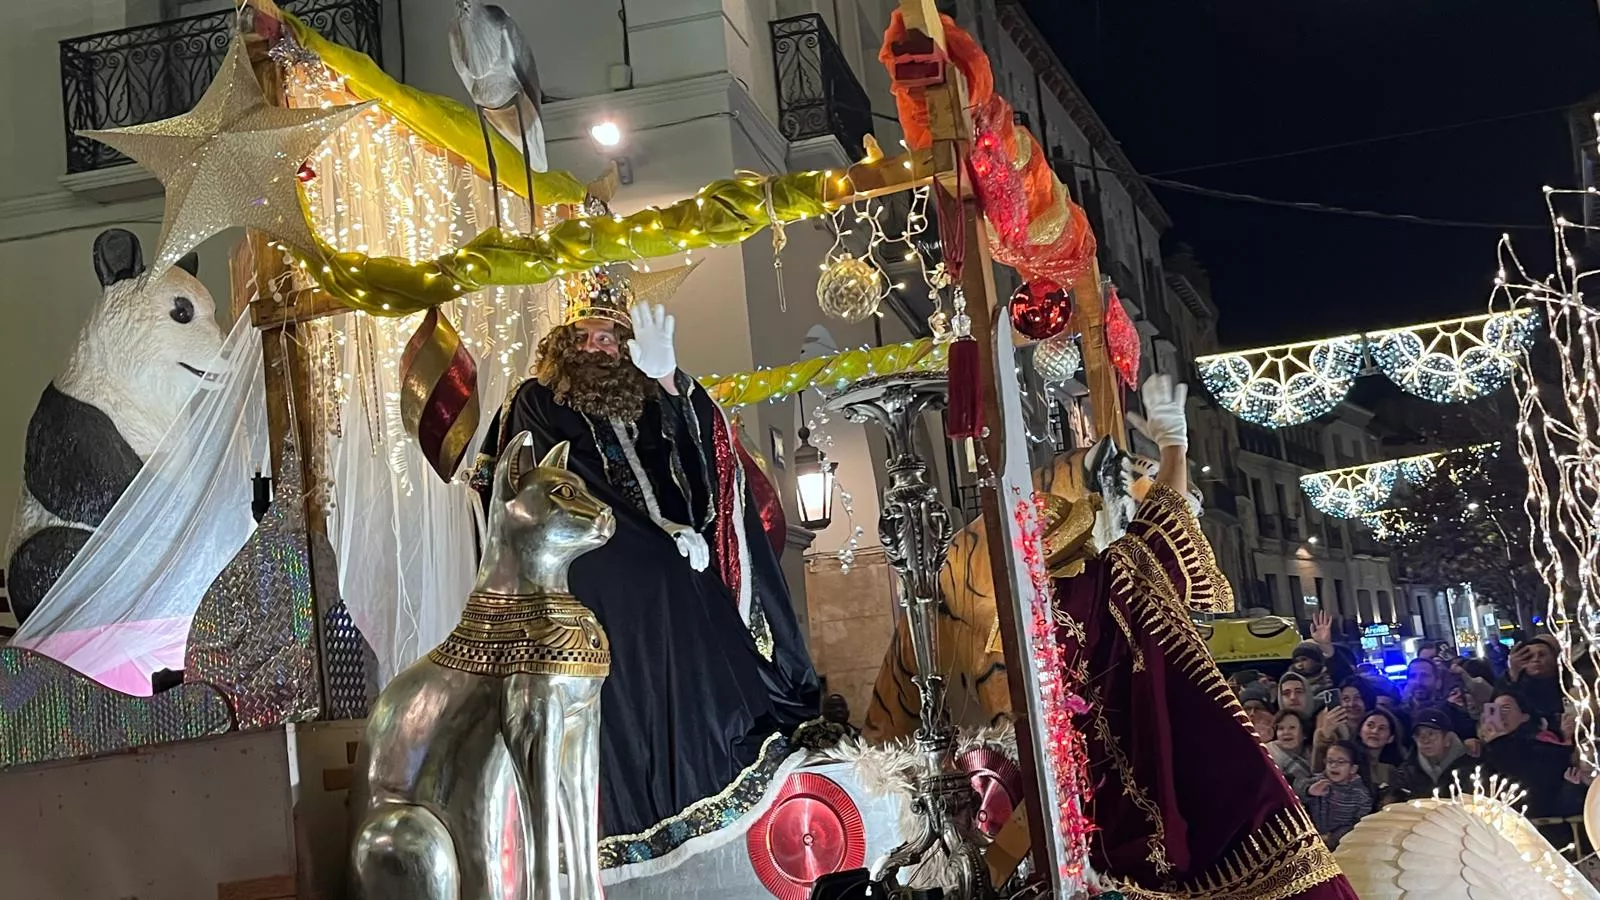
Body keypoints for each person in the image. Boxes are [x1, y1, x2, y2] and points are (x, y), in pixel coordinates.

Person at [473, 277, 820, 846]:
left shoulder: (649, 400)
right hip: (583, 563)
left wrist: (671, 380)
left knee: (695, 588)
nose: (599, 347)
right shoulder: (536, 401)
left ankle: (721, 775)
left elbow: (706, 461)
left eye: (611, 337)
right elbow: (552, 487)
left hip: (672, 555)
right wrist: (658, 533)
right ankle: (646, 812)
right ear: (565, 343)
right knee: (663, 580)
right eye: (587, 336)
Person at [1054, 375, 1357, 899]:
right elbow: (1164, 533)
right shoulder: (1101, 588)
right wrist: (1174, 444)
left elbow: (1163, 532)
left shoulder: (1098, 593)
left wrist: (1172, 450)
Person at [1481, 687, 1576, 823]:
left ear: (1525, 716)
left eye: (1506, 709)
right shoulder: (1486, 752)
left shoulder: (1538, 743)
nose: (1500, 715)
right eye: (1494, 711)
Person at [1301, 741, 1371, 851]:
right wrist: (1309, 791)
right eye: (1330, 761)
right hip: (1312, 842)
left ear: (1353, 768)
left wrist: (1333, 838)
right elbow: (1294, 791)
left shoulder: (1361, 794)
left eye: (1341, 762)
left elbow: (1359, 823)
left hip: (1342, 846)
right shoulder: (1318, 781)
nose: (1334, 765)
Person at [1393, 708, 1477, 801]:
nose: (1425, 740)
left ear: (1447, 739)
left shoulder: (1471, 769)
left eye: (1431, 734)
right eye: (1418, 734)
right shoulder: (1406, 772)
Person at [1498, 636, 1563, 731]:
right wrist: (1512, 673)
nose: (1536, 659)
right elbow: (1494, 715)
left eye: (1542, 655)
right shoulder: (1514, 684)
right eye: (1529, 656)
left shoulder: (1568, 683)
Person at [1356, 708, 1405, 809]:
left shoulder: (1393, 771)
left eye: (1382, 728)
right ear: (1360, 731)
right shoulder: (1347, 761)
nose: (1375, 731)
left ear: (1391, 738)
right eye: (1370, 725)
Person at [1268, 709, 1314, 791]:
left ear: (1304, 734)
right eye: (1281, 728)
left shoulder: (1313, 756)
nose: (1286, 732)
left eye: (1292, 728)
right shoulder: (1267, 753)